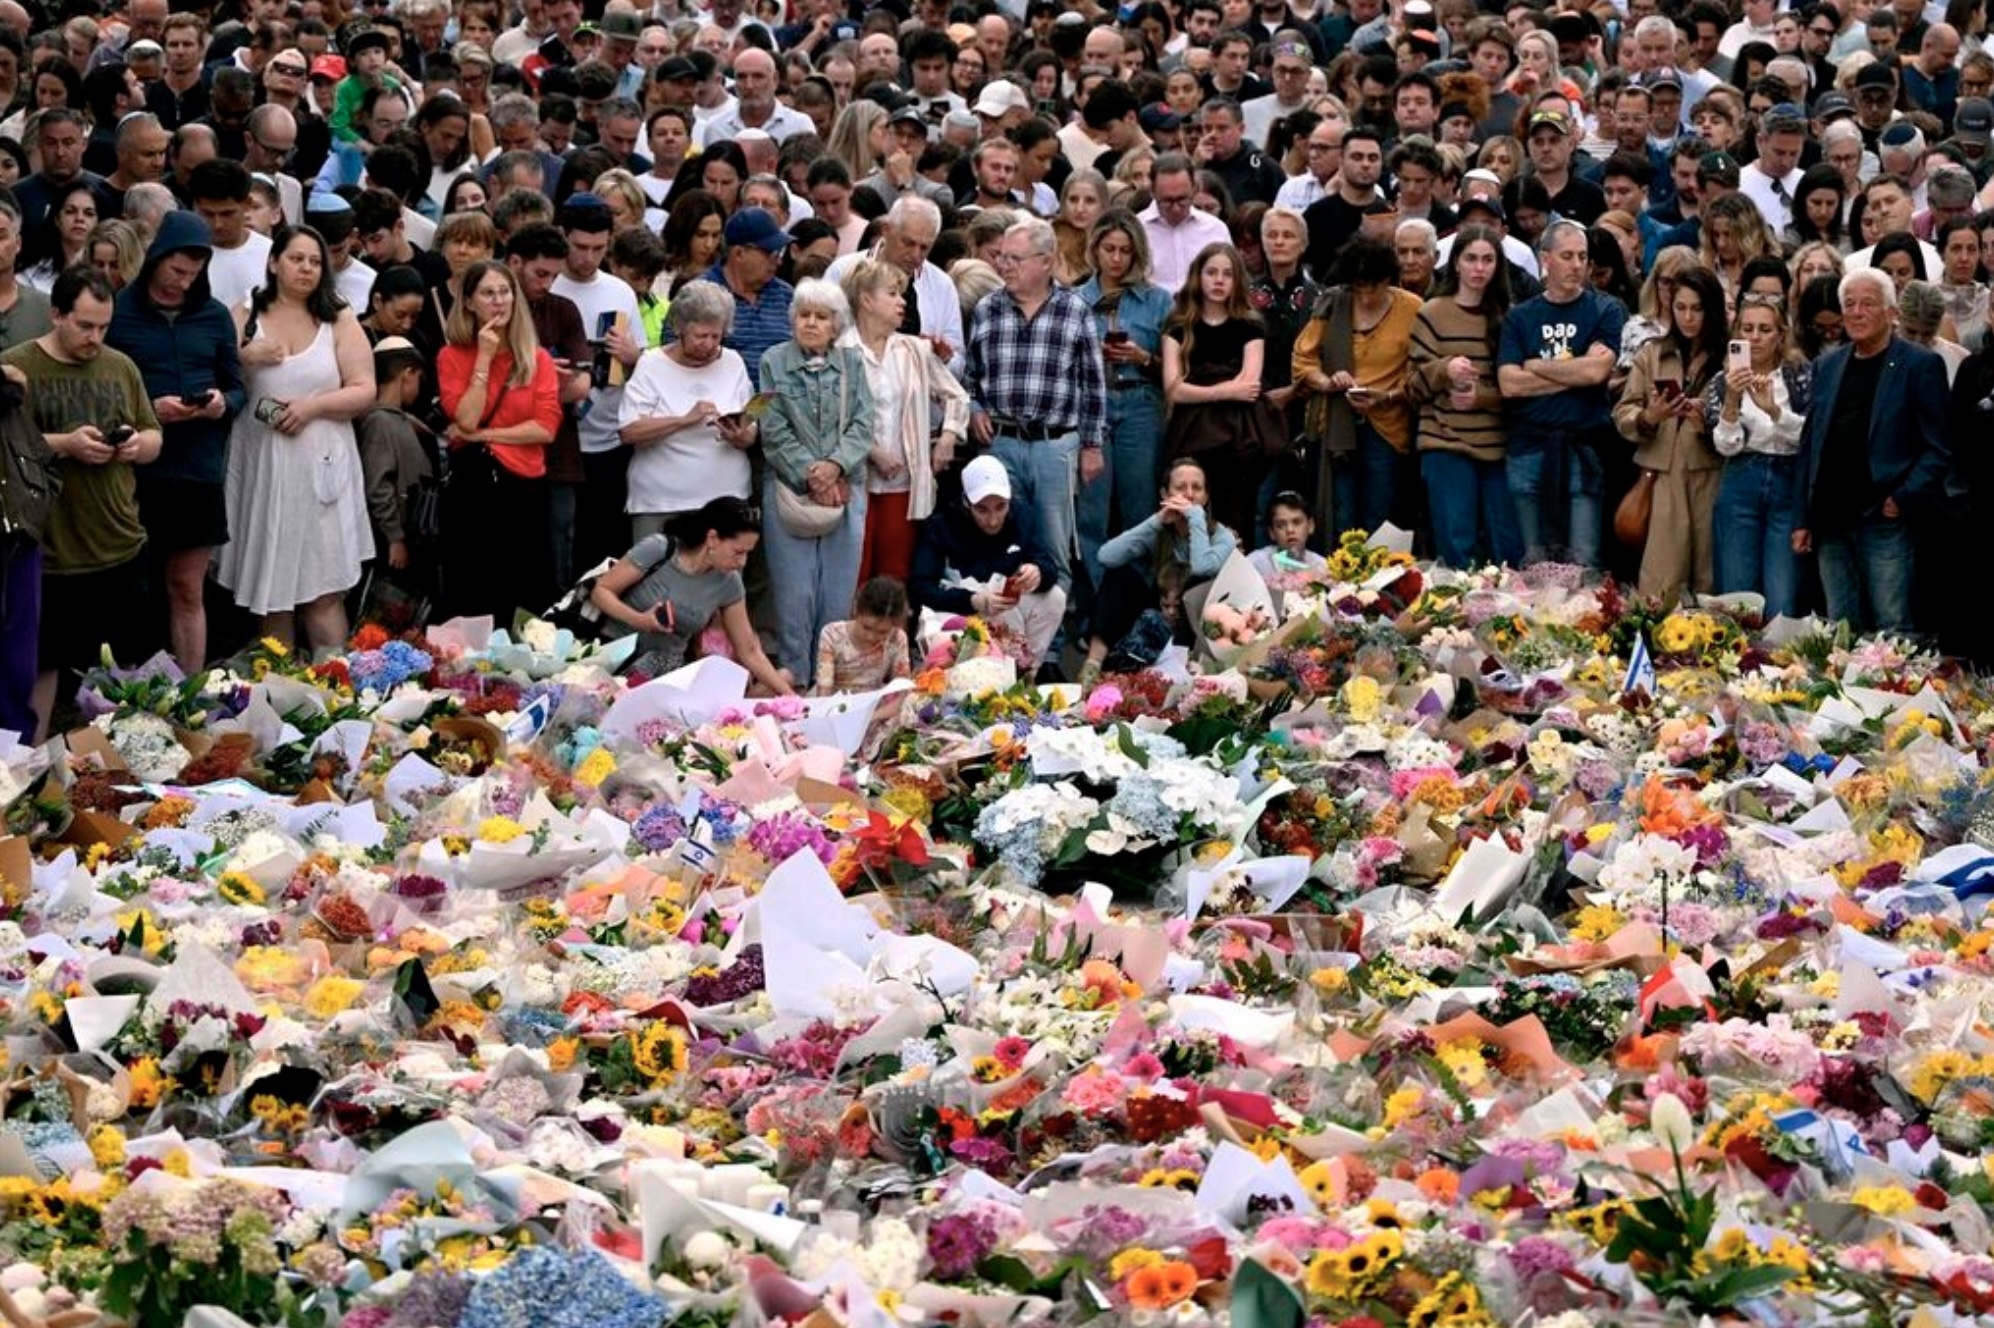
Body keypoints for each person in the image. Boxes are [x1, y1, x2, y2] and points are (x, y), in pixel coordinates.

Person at [4, 268, 160, 737]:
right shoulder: (17, 367)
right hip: (51, 549)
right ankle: (27, 761)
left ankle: (130, 755)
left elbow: (153, 435)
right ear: (56, 315)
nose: (95, 338)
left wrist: (137, 445)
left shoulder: (120, 366)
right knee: (41, 666)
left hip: (119, 540)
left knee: (127, 666)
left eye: (103, 327)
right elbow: (5, 446)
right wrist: (65, 445)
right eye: (85, 326)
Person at [215, 225, 375, 652]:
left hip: (322, 462)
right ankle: (277, 685)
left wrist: (312, 407)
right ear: (273, 262)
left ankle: (333, 681)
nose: (306, 268)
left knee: (323, 590)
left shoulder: (337, 315)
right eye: (296, 258)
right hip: (263, 463)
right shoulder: (245, 311)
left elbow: (365, 390)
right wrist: (245, 356)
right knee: (272, 590)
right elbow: (214, 374)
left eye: (315, 261)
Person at [105, 211, 243, 674]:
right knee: (134, 585)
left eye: (193, 274)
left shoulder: (214, 315)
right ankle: (129, 690)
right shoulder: (119, 311)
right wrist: (148, 409)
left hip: (197, 464)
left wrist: (221, 403)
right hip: (135, 468)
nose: (182, 282)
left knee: (187, 584)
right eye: (176, 270)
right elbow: (101, 388)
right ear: (156, 258)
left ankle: (190, 689)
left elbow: (237, 386)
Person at [1794, 268, 1952, 631]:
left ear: (1891, 312)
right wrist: (1802, 518)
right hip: (1832, 520)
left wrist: (1904, 497)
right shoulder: (1827, 365)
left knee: (1892, 627)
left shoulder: (1920, 364)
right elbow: (1810, 446)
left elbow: (1939, 447)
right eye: (1849, 304)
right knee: (1840, 630)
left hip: (1885, 519)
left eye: (1867, 303)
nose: (1857, 312)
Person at [964, 217, 1110, 598]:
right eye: (1002, 257)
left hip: (1054, 446)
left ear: (1046, 262)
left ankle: (1052, 632)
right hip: (1000, 442)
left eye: (1015, 258)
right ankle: (1003, 629)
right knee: (1000, 544)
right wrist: (974, 407)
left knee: (1053, 546)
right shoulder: (986, 309)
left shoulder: (1076, 310)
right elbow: (970, 375)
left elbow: (1093, 384)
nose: (1004, 266)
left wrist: (1092, 446)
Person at [758, 278, 875, 688]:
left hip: (846, 487)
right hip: (790, 488)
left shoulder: (853, 363)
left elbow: (864, 422)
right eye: (804, 315)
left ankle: (829, 677)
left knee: (838, 592)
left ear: (836, 325)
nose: (810, 323)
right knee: (794, 593)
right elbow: (772, 427)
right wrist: (813, 475)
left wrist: (836, 467)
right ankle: (796, 677)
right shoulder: (773, 361)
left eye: (821, 317)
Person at [436, 259, 562, 625]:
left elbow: (545, 428)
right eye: (488, 293)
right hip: (474, 487)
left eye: (505, 292)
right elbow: (466, 418)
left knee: (527, 589)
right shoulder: (451, 356)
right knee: (475, 589)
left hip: (525, 487)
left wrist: (484, 435)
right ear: (469, 302)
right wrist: (484, 358)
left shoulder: (537, 358)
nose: (498, 301)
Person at [1498, 220, 1627, 568]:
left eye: (1582, 257)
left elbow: (1597, 372)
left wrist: (1536, 365)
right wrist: (1577, 372)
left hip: (1583, 446)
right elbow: (1509, 384)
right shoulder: (1520, 317)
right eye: (1567, 256)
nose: (1577, 265)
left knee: (1584, 561)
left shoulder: (1606, 309)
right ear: (1545, 259)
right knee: (1532, 562)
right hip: (1528, 447)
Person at [841, 258, 970, 585]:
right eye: (892, 293)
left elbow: (957, 396)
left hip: (904, 483)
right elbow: (831, 417)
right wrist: (873, 452)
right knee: (853, 574)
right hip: (854, 481)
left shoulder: (914, 349)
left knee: (895, 575)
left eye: (902, 294)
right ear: (866, 300)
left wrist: (948, 437)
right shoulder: (840, 350)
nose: (902, 302)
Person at [590, 495, 794, 692]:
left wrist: (791, 698)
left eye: (748, 553)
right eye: (738, 552)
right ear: (712, 538)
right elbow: (601, 591)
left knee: (785, 676)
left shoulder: (730, 584)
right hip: (612, 658)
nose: (742, 562)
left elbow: (749, 651)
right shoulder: (660, 549)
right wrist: (638, 620)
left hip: (665, 674)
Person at [1407, 223, 1523, 568]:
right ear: (1456, 262)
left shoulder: (1509, 316)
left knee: (1507, 546)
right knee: (1457, 547)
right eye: (1471, 258)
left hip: (1497, 446)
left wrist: (1481, 397)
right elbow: (1411, 387)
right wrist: (1444, 369)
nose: (1479, 268)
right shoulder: (1432, 313)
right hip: (1444, 443)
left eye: (1488, 260)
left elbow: (1517, 389)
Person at [1291, 237, 1422, 538]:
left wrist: (1387, 396)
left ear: (1388, 281)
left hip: (1387, 426)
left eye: (1373, 288)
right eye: (1358, 288)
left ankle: (1380, 569)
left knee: (1381, 512)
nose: (1364, 297)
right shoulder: (1334, 303)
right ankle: (1343, 568)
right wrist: (1327, 382)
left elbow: (1420, 370)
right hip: (1337, 422)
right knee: (1342, 512)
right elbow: (1303, 357)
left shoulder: (1412, 308)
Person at [1613, 264, 1728, 597]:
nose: (1688, 317)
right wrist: (1650, 416)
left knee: (1710, 578)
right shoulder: (1652, 353)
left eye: (1697, 308)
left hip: (1712, 474)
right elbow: (1623, 411)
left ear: (1711, 309)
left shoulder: (1728, 356)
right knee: (1661, 583)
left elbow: (1744, 423)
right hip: (1660, 474)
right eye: (1681, 307)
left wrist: (1706, 424)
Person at [1074, 210, 1172, 590]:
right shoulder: (1075, 299)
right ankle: (1096, 604)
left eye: (1125, 251)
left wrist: (1142, 357)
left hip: (1140, 402)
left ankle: (1138, 599)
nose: (1116, 258)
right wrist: (1090, 355)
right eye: (1109, 249)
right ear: (1095, 249)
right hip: (1092, 404)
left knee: (1140, 509)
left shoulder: (1158, 301)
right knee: (1091, 511)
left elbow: (1175, 371)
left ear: (1137, 254)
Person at [618, 280, 758, 540]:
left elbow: (750, 430)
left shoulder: (733, 361)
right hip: (662, 501)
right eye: (700, 336)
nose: (709, 344)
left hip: (727, 497)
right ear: (679, 328)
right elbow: (629, 431)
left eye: (716, 336)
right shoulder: (651, 364)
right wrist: (683, 420)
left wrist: (739, 434)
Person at [1161, 241, 1283, 539]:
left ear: (1237, 280)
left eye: (1227, 274)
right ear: (1198, 276)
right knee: (1191, 512)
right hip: (1191, 432)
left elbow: (1249, 385)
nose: (1219, 280)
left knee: (1237, 512)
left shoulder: (1250, 326)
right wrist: (1224, 391)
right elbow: (1174, 389)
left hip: (1238, 434)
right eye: (1211, 272)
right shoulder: (1178, 327)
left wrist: (1201, 390)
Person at [1080, 455, 1238, 682]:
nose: (1189, 494)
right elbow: (1105, 557)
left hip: (1196, 621)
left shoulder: (1222, 536)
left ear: (1206, 496)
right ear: (1165, 494)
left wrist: (1196, 518)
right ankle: (1092, 665)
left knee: (1194, 582)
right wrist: (1156, 521)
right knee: (1119, 576)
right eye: (1181, 488)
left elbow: (1202, 568)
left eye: (1197, 488)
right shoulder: (1159, 529)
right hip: (1159, 612)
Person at [1707, 291, 1812, 616]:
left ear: (1781, 335)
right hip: (1742, 477)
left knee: (1783, 595)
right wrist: (1732, 400)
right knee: (1738, 595)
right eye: (1747, 328)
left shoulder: (1801, 375)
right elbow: (1726, 446)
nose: (1755, 337)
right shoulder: (1723, 381)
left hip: (1788, 480)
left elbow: (1810, 438)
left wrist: (1774, 411)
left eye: (1765, 329)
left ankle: (1781, 649)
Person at [910, 454, 1067, 666]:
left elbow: (1048, 564)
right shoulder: (941, 525)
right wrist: (971, 600)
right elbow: (920, 588)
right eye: (982, 510)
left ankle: (1027, 668)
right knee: (1004, 613)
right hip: (959, 609)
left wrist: (1038, 572)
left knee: (1054, 598)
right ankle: (1002, 668)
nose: (993, 520)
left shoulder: (1022, 515)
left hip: (1003, 604)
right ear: (966, 503)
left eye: (1001, 507)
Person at [356, 335, 437, 617]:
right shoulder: (379, 422)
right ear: (408, 374)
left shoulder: (395, 418)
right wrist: (395, 538)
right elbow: (378, 485)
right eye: (419, 379)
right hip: (392, 542)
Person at [813, 575, 913, 695]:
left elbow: (902, 690)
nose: (871, 637)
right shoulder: (832, 634)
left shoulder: (897, 638)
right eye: (866, 627)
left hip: (874, 701)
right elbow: (824, 691)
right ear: (856, 610)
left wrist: (881, 708)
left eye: (882, 632)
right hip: (835, 701)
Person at [1248, 489, 1328, 590]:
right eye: (1280, 525)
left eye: (1297, 522)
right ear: (1271, 532)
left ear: (1310, 526)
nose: (1290, 530)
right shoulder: (1256, 564)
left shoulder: (1322, 567)